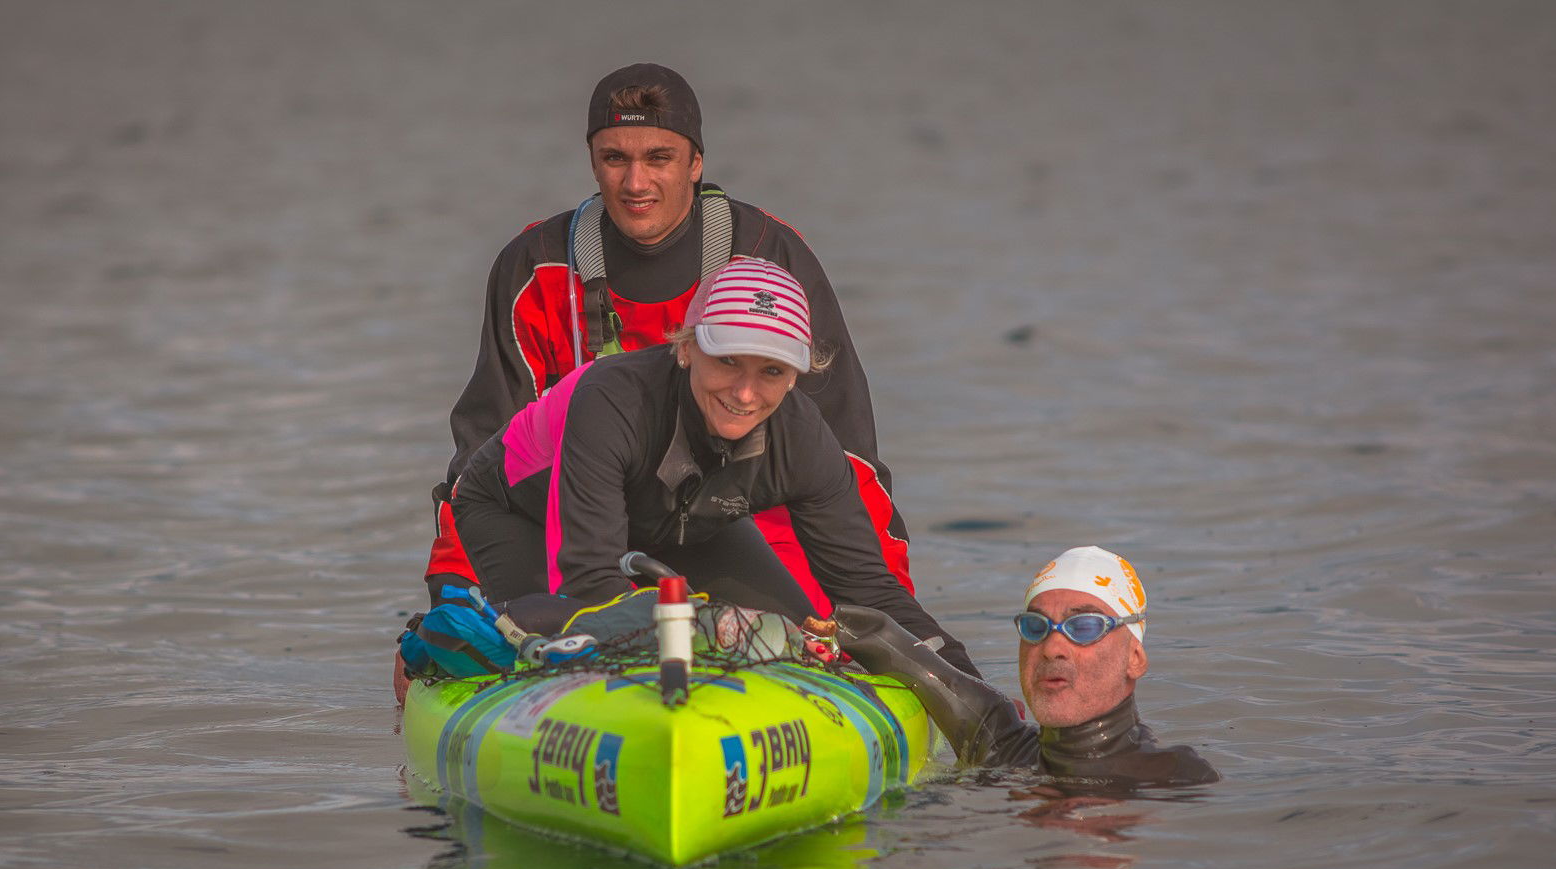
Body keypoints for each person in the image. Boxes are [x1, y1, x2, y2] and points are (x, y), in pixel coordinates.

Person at [427, 62, 912, 606]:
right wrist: (451, 593)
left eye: (659, 158)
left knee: (824, 630)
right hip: (574, 517)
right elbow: (486, 453)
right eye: (615, 158)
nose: (636, 183)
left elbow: (849, 457)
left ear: (696, 163)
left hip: (730, 517)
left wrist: (885, 609)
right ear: (592, 162)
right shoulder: (532, 268)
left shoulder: (770, 261)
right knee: (501, 625)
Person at [448, 257, 980, 676]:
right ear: (686, 347)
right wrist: (713, 631)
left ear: (796, 375)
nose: (746, 393)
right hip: (518, 511)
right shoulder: (613, 400)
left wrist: (970, 687)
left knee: (793, 643)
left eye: (771, 370)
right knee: (569, 640)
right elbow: (590, 585)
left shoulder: (803, 439)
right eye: (727, 360)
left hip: (683, 528)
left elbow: (870, 592)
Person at [835, 546, 1218, 785]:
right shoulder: (1002, 750)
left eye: (1083, 627)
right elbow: (920, 665)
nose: (1053, 647)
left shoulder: (1175, 775)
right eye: (1035, 627)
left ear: (1135, 658)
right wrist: (830, 628)